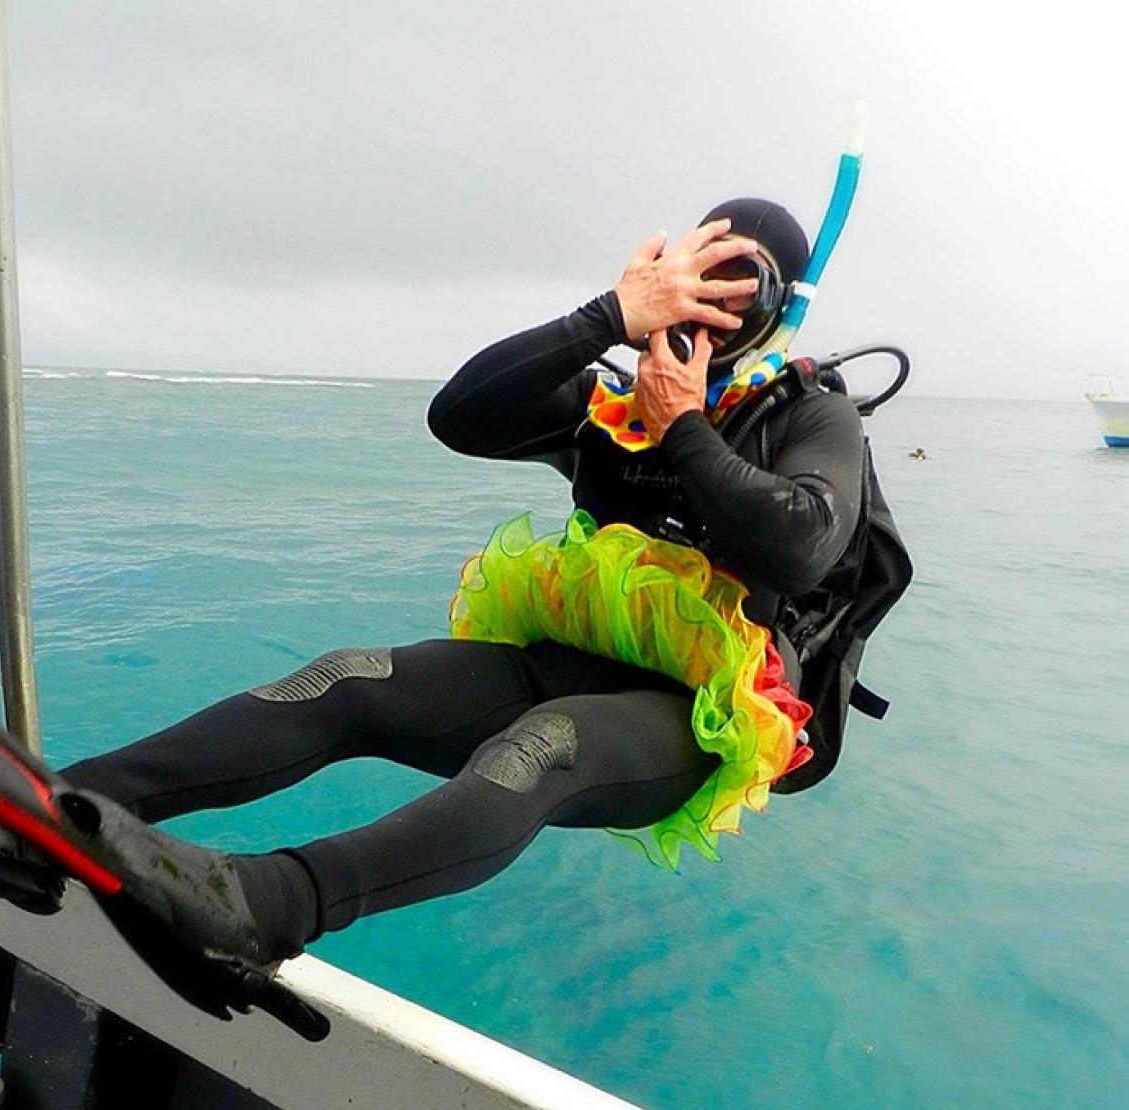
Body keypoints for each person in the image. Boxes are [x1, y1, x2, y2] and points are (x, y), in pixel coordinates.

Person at [61, 198, 866, 970]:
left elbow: (803, 547)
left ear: (780, 304)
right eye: (700, 275)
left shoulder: (810, 416)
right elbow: (459, 415)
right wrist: (611, 316)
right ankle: (63, 804)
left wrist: (685, 429)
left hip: (700, 712)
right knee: (347, 681)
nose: (711, 307)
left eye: (741, 285)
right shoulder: (613, 405)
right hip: (570, 658)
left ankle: (270, 902)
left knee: (538, 750)